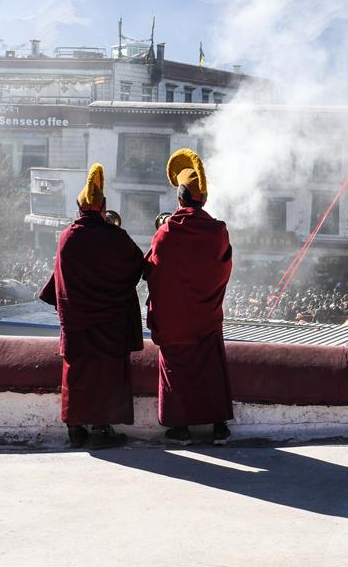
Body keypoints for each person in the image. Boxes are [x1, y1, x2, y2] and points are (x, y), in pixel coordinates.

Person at [39, 163, 144, 450]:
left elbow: (60, 279)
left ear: (79, 206)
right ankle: (102, 429)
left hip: (77, 321)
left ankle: (75, 428)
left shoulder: (67, 237)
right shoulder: (116, 237)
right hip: (110, 321)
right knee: (108, 373)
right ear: (103, 206)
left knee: (78, 372)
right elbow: (138, 267)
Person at [144, 148, 233, 446]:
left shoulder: (166, 232)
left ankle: (180, 428)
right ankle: (219, 426)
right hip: (206, 315)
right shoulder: (219, 231)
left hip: (175, 318)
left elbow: (153, 271)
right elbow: (223, 270)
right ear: (203, 199)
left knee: (176, 369)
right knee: (211, 368)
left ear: (180, 199)